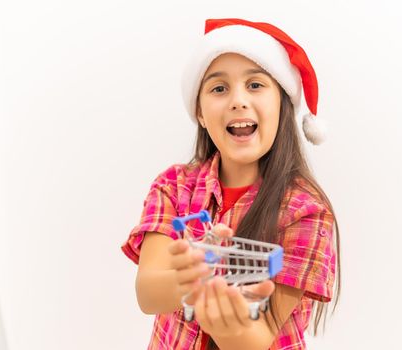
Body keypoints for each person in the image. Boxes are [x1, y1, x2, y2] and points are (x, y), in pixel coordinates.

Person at [121, 18, 341, 350]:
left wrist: (217, 303)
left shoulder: (306, 212)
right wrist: (193, 277)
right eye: (219, 88)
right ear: (200, 112)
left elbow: (253, 342)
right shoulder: (173, 186)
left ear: (282, 104)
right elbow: (148, 293)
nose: (237, 100)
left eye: (255, 85)